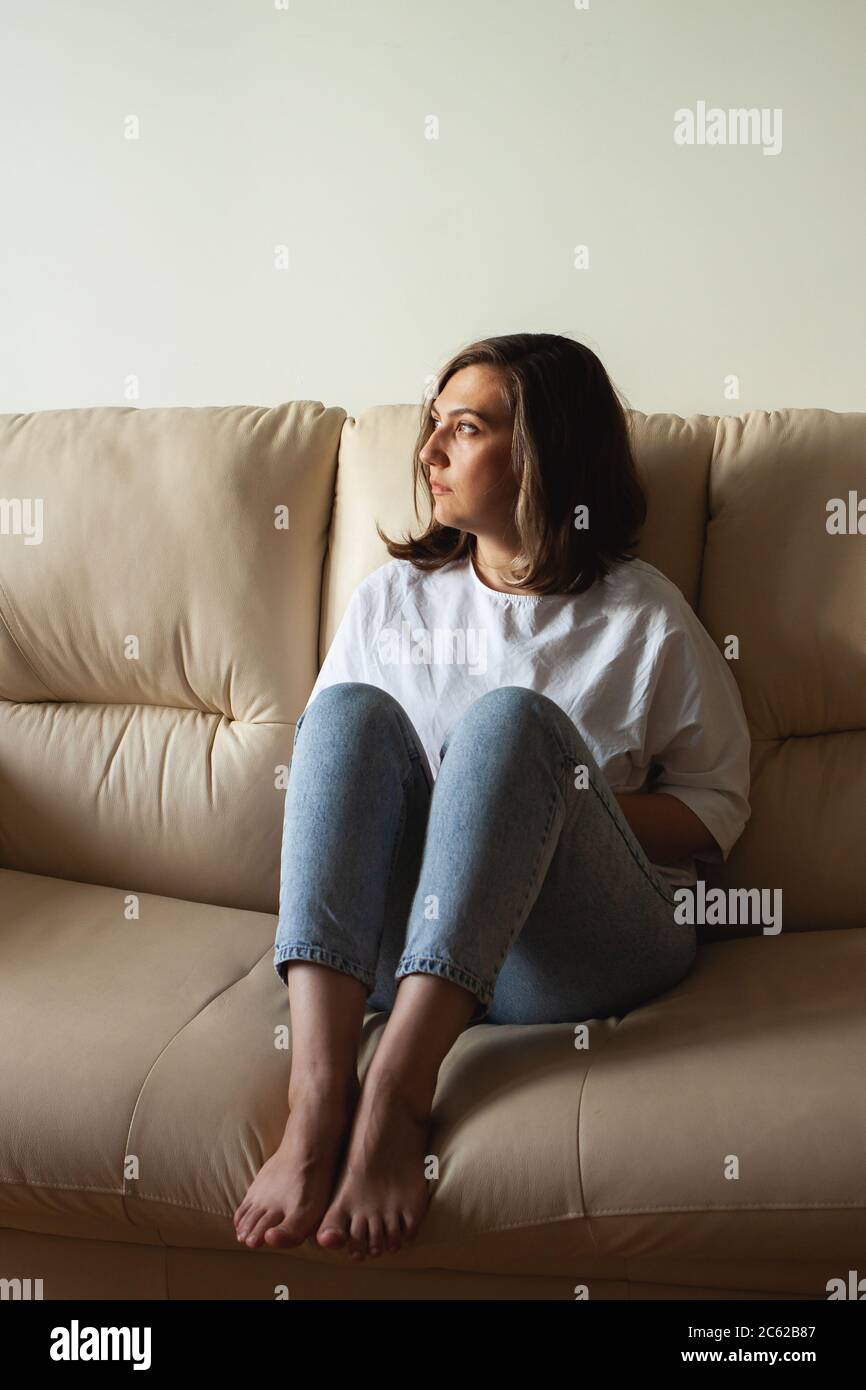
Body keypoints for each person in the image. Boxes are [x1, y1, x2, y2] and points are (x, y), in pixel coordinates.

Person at [232, 332, 752, 1263]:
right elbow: (326, 789)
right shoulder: (393, 600)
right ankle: (317, 1101)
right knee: (343, 715)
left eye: (462, 429)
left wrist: (539, 810)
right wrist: (454, 822)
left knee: (510, 728)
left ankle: (395, 1091)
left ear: (543, 452)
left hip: (571, 953)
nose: (428, 452)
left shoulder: (644, 618)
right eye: (432, 427)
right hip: (401, 950)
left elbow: (716, 813)